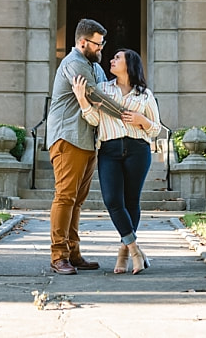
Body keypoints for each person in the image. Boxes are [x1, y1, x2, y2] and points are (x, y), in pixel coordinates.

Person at [71, 48, 161, 275]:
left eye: (117, 58)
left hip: (138, 150)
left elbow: (157, 129)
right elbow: (94, 119)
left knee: (132, 202)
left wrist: (142, 120)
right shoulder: (103, 90)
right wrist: (82, 100)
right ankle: (134, 250)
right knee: (113, 200)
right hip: (109, 150)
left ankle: (123, 252)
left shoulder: (145, 95)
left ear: (129, 64)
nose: (112, 60)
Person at [46, 18, 108, 275]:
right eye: (98, 44)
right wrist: (127, 114)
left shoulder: (94, 66)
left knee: (77, 201)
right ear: (83, 43)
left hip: (87, 140)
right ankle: (58, 255)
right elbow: (96, 95)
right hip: (68, 138)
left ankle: (73, 253)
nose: (101, 49)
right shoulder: (73, 63)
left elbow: (107, 90)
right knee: (65, 197)